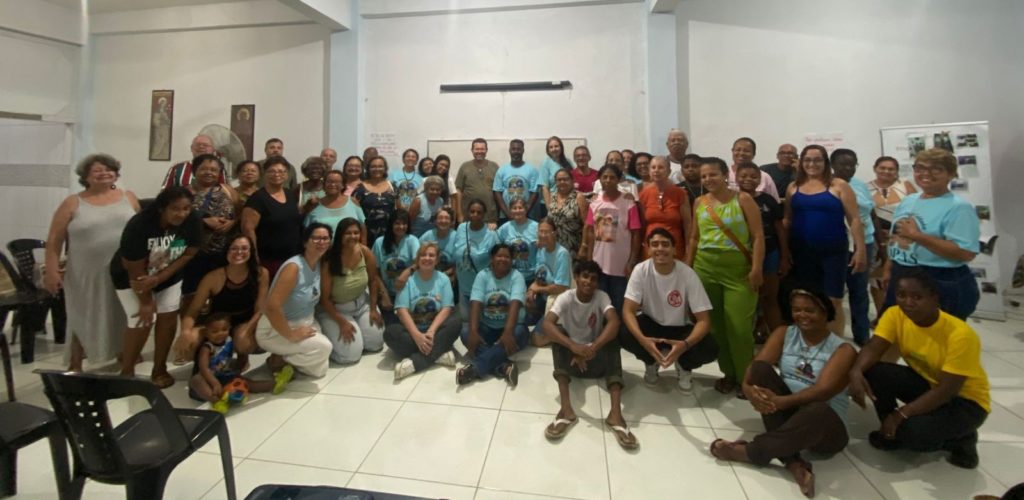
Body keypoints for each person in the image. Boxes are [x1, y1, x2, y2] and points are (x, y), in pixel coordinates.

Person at [710, 289, 856, 499]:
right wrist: (749, 389)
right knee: (760, 371)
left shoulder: (843, 350)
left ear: (826, 313)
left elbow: (822, 392)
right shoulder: (785, 333)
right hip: (788, 410)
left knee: (818, 409)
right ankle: (795, 464)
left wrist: (781, 402)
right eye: (797, 310)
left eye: (809, 310)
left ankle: (752, 452)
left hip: (825, 427)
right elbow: (757, 365)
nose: (802, 315)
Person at [849, 270, 990, 469]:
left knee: (914, 434)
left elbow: (947, 390)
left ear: (934, 299)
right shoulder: (895, 314)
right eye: (901, 295)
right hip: (929, 384)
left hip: (965, 402)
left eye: (917, 297)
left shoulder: (961, 335)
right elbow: (873, 347)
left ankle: (962, 438)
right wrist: (855, 372)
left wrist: (900, 415)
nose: (908, 302)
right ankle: (891, 432)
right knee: (873, 371)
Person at [44, 153, 140, 372]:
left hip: (122, 268)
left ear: (116, 174)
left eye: (108, 169)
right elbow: (54, 240)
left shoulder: (129, 197)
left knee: (121, 312)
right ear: (85, 176)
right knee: (82, 315)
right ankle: (75, 362)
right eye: (97, 170)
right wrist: (51, 271)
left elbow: (141, 230)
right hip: (84, 271)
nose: (104, 173)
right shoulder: (72, 202)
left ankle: (123, 352)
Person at [687, 157, 764, 395]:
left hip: (738, 271)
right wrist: (687, 270)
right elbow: (694, 238)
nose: (708, 179)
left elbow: (758, 236)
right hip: (705, 269)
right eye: (704, 176)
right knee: (715, 327)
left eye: (713, 174)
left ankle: (746, 380)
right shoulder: (699, 202)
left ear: (725, 175)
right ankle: (728, 373)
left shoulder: (743, 199)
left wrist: (756, 268)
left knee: (739, 328)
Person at [110, 187, 200, 388]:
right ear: (162, 208)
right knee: (141, 320)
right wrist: (146, 301)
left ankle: (159, 369)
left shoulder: (193, 220)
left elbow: (189, 253)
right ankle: (127, 372)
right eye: (175, 209)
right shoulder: (140, 224)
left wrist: (160, 278)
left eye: (186, 208)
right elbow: (132, 267)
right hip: (131, 276)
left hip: (167, 274)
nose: (181, 214)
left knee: (168, 317)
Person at [542, 259, 634, 449]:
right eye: (584, 276)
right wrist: (573, 346)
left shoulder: (601, 297)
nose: (588, 282)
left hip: (595, 360)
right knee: (558, 335)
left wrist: (592, 348)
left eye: (593, 279)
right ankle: (566, 410)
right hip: (571, 364)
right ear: (576, 278)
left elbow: (614, 321)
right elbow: (547, 324)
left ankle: (615, 414)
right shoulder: (566, 297)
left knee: (612, 338)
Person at [882, 148, 979, 320]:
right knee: (899, 329)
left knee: (934, 333)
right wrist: (889, 266)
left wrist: (917, 236)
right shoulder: (909, 200)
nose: (925, 173)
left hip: (938, 278)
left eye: (936, 169)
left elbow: (965, 253)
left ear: (950, 174)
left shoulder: (958, 207)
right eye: (920, 168)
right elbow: (896, 237)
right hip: (902, 272)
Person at [621, 229, 718, 390]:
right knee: (624, 333)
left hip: (680, 328)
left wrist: (685, 345)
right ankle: (651, 360)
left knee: (710, 348)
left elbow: (704, 320)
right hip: (651, 324)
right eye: (655, 244)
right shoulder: (641, 270)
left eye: (665, 244)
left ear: (674, 249)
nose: (660, 248)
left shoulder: (687, 274)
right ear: (648, 249)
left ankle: (684, 365)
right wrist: (644, 342)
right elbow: (628, 311)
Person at [784, 145, 866, 335]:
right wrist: (784, 250)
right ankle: (813, 340)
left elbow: (854, 219)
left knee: (833, 300)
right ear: (801, 163)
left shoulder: (839, 185)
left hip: (833, 251)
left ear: (825, 162)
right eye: (807, 160)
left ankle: (835, 345)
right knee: (808, 300)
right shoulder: (793, 187)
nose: (812, 164)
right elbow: (787, 220)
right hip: (802, 252)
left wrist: (860, 250)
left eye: (817, 160)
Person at [255, 223, 334, 379]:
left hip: (305, 321)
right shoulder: (294, 267)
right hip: (276, 328)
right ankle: (279, 358)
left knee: (320, 369)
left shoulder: (318, 264)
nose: (321, 242)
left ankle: (283, 357)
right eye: (316, 238)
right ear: (305, 242)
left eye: (325, 238)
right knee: (325, 348)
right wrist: (290, 335)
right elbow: (272, 307)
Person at [176, 235, 268, 363]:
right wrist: (185, 332)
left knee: (243, 341)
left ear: (251, 251)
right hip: (217, 323)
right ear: (226, 251)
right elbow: (192, 311)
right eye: (234, 248)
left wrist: (248, 330)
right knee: (189, 341)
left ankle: (242, 358)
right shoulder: (212, 277)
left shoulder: (261, 274)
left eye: (244, 248)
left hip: (245, 321)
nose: (239, 252)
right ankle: (210, 359)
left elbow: (260, 308)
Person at [384, 242, 461, 380]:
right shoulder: (408, 280)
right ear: (417, 259)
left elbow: (446, 308)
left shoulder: (443, 279)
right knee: (390, 333)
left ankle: (415, 363)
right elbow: (401, 311)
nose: (427, 258)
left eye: (431, 255)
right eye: (423, 255)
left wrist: (431, 331)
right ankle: (438, 354)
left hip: (435, 331)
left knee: (456, 323)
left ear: (437, 260)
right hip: (413, 331)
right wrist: (416, 335)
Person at [458, 244, 529, 386]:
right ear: (492, 258)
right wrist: (473, 332)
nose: (503, 259)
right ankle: (503, 367)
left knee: (521, 332)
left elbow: (515, 304)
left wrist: (508, 332)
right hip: (487, 327)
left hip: (511, 327)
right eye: (499, 256)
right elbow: (476, 303)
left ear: (512, 260)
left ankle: (475, 369)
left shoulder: (517, 276)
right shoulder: (482, 275)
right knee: (466, 333)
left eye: (507, 257)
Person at [318, 218, 385, 364]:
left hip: (362, 304)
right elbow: (324, 299)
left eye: (356, 233)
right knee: (351, 356)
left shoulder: (365, 252)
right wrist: (341, 322)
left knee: (375, 344)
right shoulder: (330, 259)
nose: (353, 236)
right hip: (337, 309)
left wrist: (373, 308)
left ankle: (357, 335)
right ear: (340, 235)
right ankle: (328, 339)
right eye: (348, 233)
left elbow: (373, 281)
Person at [736, 162, 789, 333]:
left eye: (753, 176)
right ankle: (749, 336)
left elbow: (779, 229)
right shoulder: (731, 200)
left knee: (769, 298)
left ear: (760, 179)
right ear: (736, 178)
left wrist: (784, 256)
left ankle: (776, 338)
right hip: (742, 255)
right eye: (743, 176)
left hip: (770, 253)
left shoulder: (768, 200)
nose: (748, 179)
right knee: (745, 299)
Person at [831, 149, 877, 346]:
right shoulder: (827, 185)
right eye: (843, 164)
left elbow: (871, 212)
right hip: (839, 245)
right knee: (835, 293)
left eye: (852, 164)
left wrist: (880, 243)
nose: (848, 168)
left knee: (859, 291)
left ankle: (862, 335)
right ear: (832, 165)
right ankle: (833, 336)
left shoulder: (860, 184)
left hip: (864, 242)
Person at [182, 154, 239, 312]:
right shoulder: (184, 192)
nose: (209, 173)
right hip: (193, 252)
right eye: (204, 169)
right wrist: (204, 220)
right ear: (195, 171)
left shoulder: (228, 190)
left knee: (220, 292)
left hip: (222, 252)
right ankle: (190, 322)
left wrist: (232, 222)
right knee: (191, 294)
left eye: (214, 170)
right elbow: (175, 218)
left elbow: (240, 213)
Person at [188, 313, 280, 410]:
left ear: (229, 328)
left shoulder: (229, 340)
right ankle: (216, 401)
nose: (220, 334)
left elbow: (241, 355)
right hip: (209, 380)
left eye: (224, 330)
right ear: (206, 333)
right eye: (214, 331)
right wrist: (214, 383)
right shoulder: (207, 348)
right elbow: (203, 368)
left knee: (248, 383)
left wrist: (237, 370)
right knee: (196, 380)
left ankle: (274, 384)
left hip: (225, 376)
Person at [583, 165, 642, 313]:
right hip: (598, 265)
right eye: (604, 177)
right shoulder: (594, 203)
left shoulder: (628, 203)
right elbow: (590, 232)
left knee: (619, 306)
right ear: (600, 180)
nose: (608, 180)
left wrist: (632, 261)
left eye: (612, 177)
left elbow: (636, 233)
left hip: (620, 266)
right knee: (600, 307)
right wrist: (590, 259)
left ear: (618, 180)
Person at [868, 155, 916, 316]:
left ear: (896, 171)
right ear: (875, 168)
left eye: (891, 169)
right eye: (882, 168)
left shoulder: (906, 186)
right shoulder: (865, 188)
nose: (886, 171)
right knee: (877, 280)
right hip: (876, 240)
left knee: (903, 279)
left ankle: (903, 317)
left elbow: (917, 211)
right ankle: (882, 316)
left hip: (903, 240)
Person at [241, 156, 302, 278]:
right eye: (272, 171)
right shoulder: (257, 198)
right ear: (265, 173)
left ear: (287, 174)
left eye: (281, 171)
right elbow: (248, 230)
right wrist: (254, 258)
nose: (277, 174)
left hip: (293, 257)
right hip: (269, 260)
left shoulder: (290, 194)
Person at [453, 199, 499, 325]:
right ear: (467, 212)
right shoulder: (461, 228)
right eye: (472, 211)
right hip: (463, 286)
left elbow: (497, 261)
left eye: (479, 212)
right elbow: (456, 252)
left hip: (482, 289)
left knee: (482, 324)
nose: (475, 215)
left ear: (484, 214)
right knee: (465, 322)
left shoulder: (491, 235)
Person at [639, 156, 691, 260]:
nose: (656, 170)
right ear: (649, 171)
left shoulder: (680, 193)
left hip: (674, 247)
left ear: (669, 171)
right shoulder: (643, 194)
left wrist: (688, 251)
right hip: (651, 247)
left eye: (660, 167)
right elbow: (642, 225)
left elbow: (688, 225)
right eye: (653, 167)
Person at [527, 218, 571, 341]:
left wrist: (537, 289)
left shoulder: (562, 254)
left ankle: (563, 329)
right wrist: (531, 290)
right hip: (544, 299)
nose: (542, 235)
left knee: (537, 339)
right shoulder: (541, 250)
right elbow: (539, 276)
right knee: (520, 314)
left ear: (554, 233)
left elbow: (561, 288)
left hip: (557, 300)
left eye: (546, 232)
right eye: (540, 231)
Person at [373, 209, 420, 319]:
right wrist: (384, 294)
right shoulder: (379, 243)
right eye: (397, 223)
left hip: (409, 293)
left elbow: (418, 263)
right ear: (391, 224)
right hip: (387, 292)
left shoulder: (412, 240)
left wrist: (406, 273)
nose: (401, 227)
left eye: (404, 223)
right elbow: (375, 272)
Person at [304, 170, 366, 240]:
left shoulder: (353, 202)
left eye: (337, 182)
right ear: (324, 184)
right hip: (323, 246)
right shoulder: (315, 205)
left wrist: (363, 245)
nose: (333, 184)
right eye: (329, 181)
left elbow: (362, 226)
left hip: (350, 246)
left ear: (343, 185)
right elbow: (307, 231)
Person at [352, 155, 398, 245]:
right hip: (366, 235)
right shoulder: (359, 189)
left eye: (380, 166)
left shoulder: (393, 186)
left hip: (390, 234)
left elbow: (398, 212)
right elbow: (355, 215)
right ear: (368, 169)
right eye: (373, 166)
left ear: (385, 169)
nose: (377, 169)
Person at [455, 138, 500, 225]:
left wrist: (496, 217)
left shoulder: (494, 166)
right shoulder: (464, 167)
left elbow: (499, 191)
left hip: (490, 217)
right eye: (477, 149)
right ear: (472, 150)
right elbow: (459, 191)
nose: (479, 151)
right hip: (468, 217)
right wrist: (459, 214)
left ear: (486, 150)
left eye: (482, 149)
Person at [546, 168, 588, 261]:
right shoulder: (552, 196)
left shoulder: (579, 197)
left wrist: (584, 246)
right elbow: (550, 222)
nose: (562, 182)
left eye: (565, 179)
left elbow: (587, 225)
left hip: (575, 246)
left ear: (572, 180)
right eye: (559, 180)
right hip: (556, 246)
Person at [493, 139, 538, 222]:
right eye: (513, 149)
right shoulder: (502, 170)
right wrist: (507, 213)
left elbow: (534, 193)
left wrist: (525, 211)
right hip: (506, 215)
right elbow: (497, 192)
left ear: (523, 150)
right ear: (509, 150)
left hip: (526, 215)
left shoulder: (532, 170)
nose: (516, 152)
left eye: (518, 149)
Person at [496, 198, 538, 287]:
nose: (517, 211)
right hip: (510, 276)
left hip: (531, 277)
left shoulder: (536, 227)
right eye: (514, 208)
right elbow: (496, 248)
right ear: (510, 210)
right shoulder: (504, 228)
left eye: (520, 208)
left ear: (526, 209)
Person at [160, 134, 225, 189]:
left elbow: (225, 192)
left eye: (205, 145)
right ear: (191, 148)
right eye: (197, 145)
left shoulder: (219, 168)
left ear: (213, 149)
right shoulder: (177, 168)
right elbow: (165, 193)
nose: (201, 147)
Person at [729, 137, 780, 202]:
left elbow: (775, 202)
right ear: (732, 151)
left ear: (754, 154)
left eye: (746, 151)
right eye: (738, 150)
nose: (741, 153)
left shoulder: (765, 177)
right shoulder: (724, 174)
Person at [418, 207, 458, 285]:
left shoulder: (457, 237)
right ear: (435, 221)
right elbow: (417, 256)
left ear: (451, 222)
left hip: (450, 277)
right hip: (428, 276)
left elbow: (459, 263)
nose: (443, 221)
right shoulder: (427, 235)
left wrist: (446, 275)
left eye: (446, 218)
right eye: (440, 218)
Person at [537, 136, 574, 221]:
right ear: (548, 150)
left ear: (561, 147)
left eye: (556, 146)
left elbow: (571, 182)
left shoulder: (568, 162)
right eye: (551, 147)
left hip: (566, 202)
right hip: (550, 203)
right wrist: (550, 208)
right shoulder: (545, 163)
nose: (554, 149)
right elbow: (544, 187)